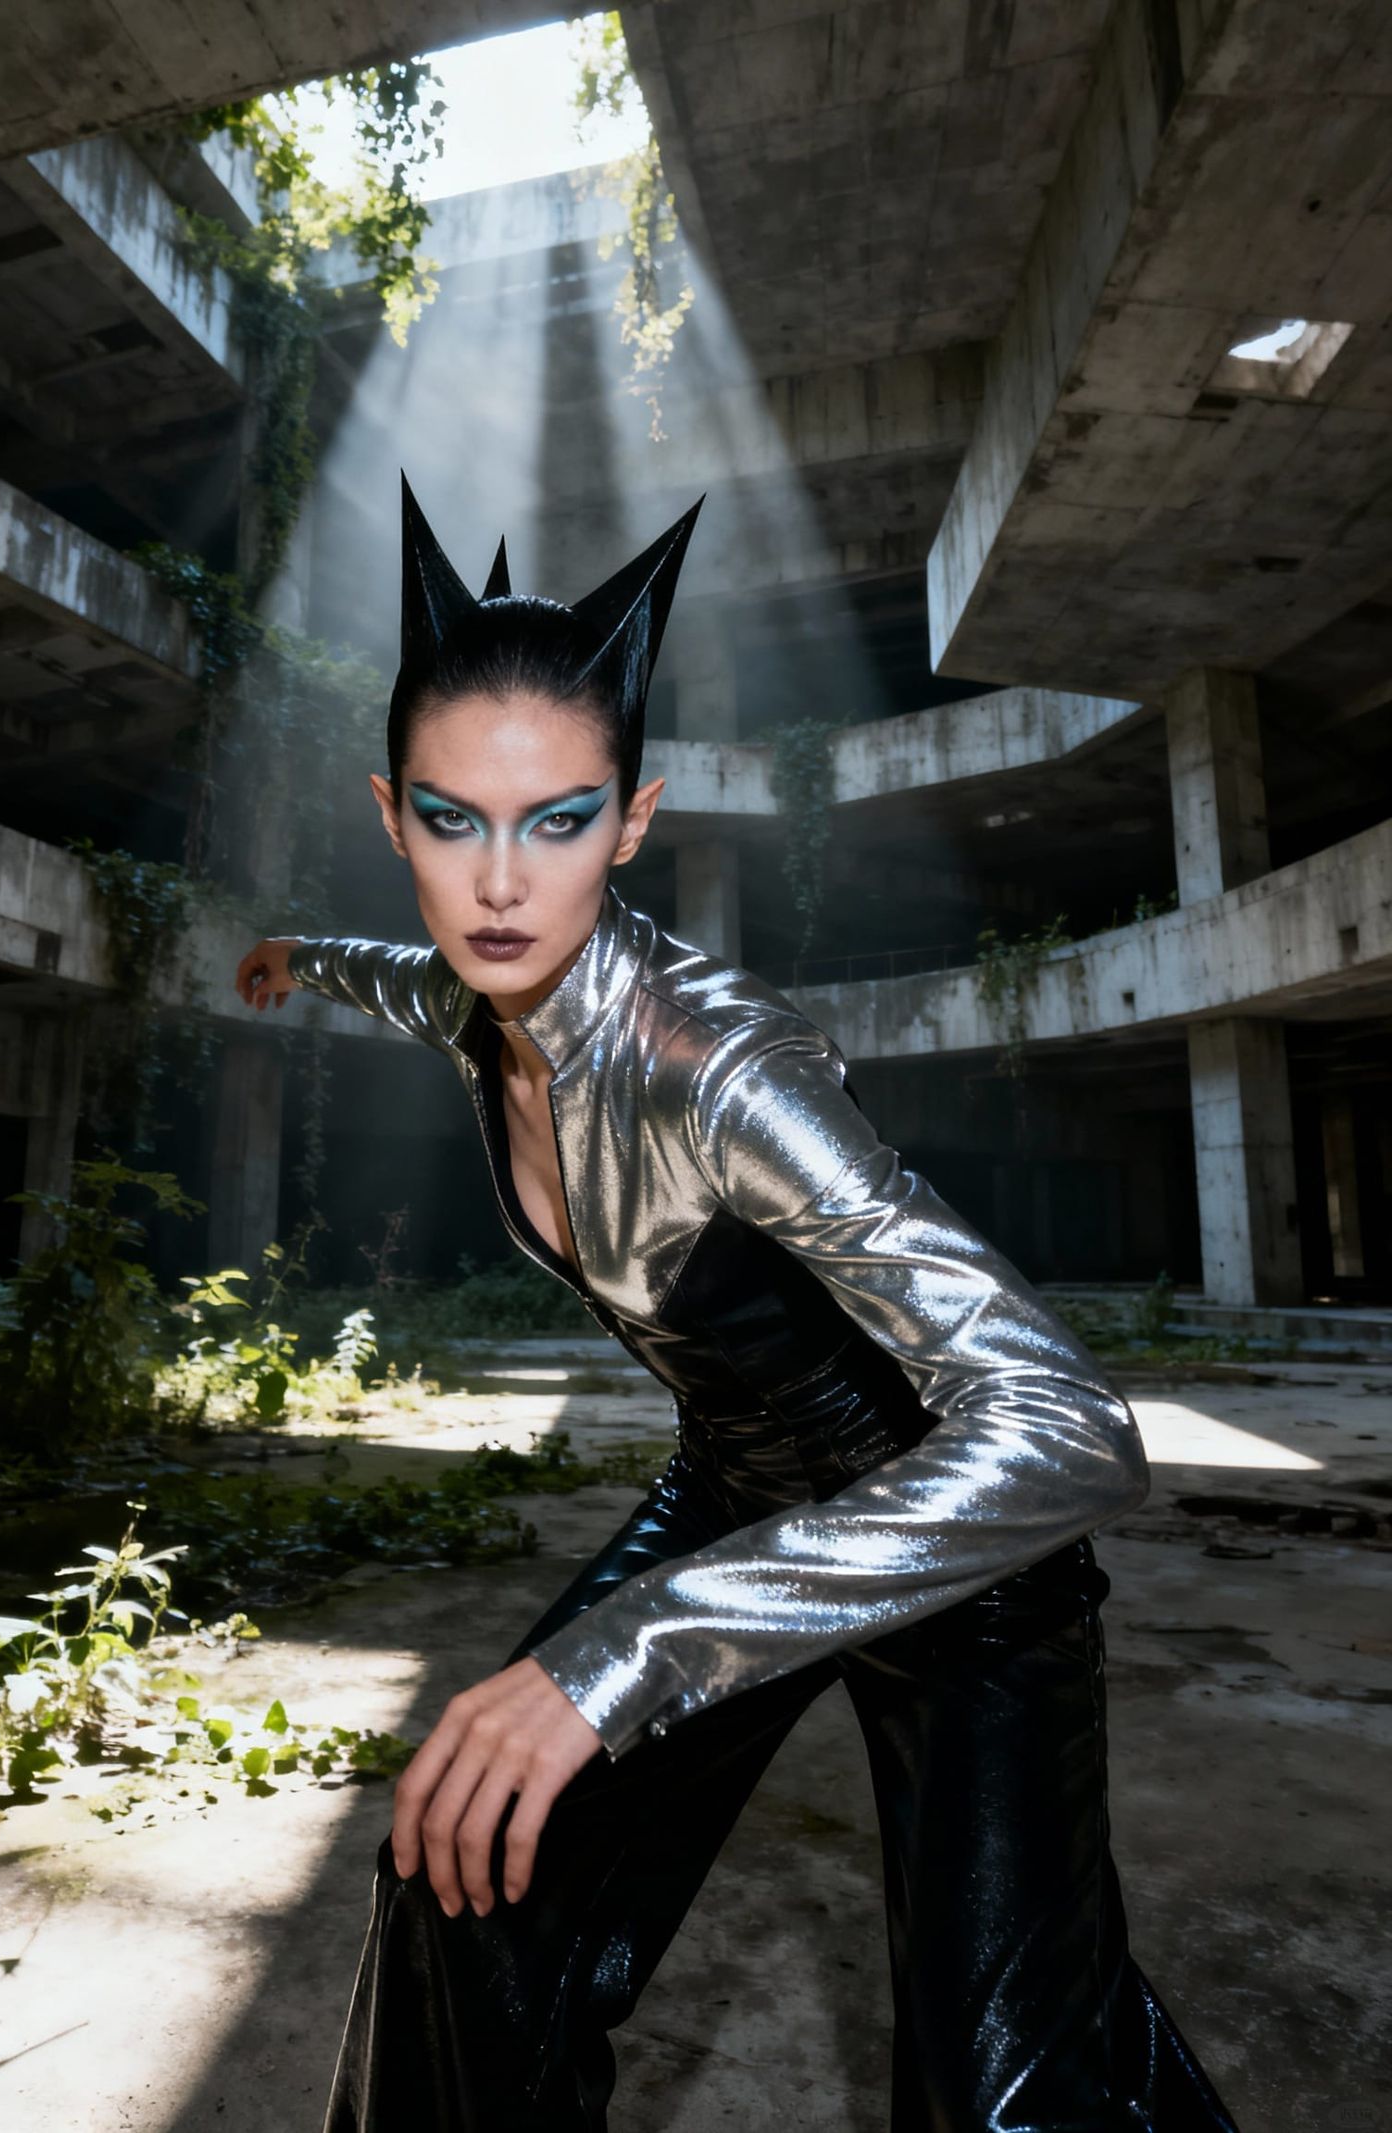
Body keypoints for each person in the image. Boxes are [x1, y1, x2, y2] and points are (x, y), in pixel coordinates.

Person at [234, 475, 1242, 2132]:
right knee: (460, 1879)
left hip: (962, 1547)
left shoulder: (720, 1064)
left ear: (630, 822)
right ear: (393, 815)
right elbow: (393, 972)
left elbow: (1069, 1424)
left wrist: (632, 1646)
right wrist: (291, 952)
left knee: (1009, 2093)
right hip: (737, 1491)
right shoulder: (474, 993)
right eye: (452, 819)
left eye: (559, 820)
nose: (501, 883)